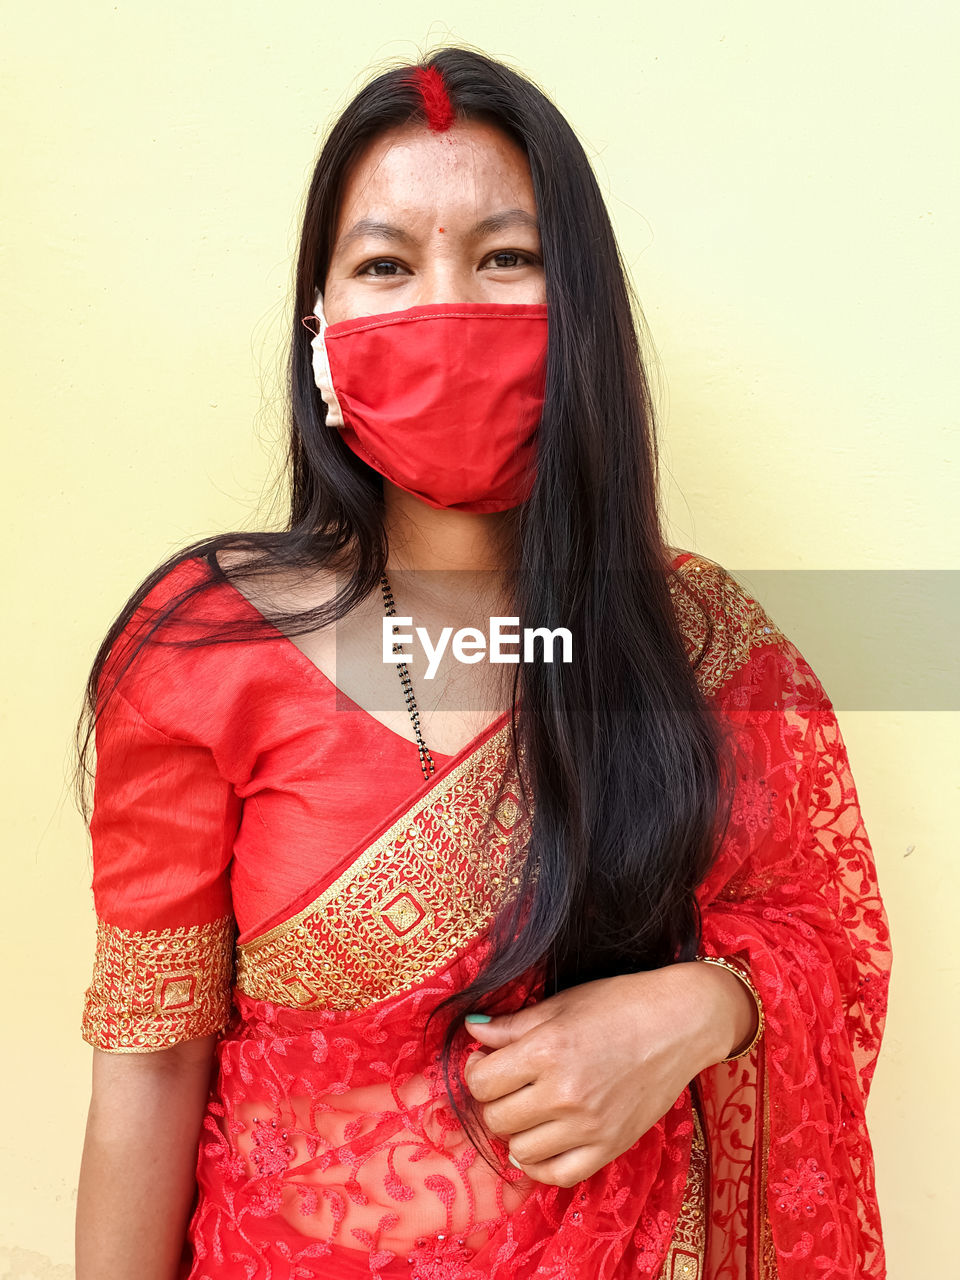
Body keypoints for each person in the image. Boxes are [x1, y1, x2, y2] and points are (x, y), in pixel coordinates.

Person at [74, 47, 891, 1280]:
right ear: (321, 335)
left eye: (506, 258)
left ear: (582, 316)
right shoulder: (205, 648)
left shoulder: (700, 645)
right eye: (385, 265)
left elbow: (825, 936)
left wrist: (699, 1006)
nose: (443, 307)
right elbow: (151, 1061)